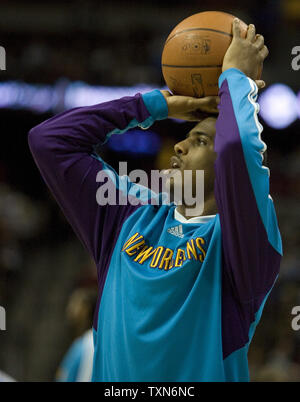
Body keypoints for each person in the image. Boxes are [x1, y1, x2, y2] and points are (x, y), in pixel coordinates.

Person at [28, 19, 282, 381]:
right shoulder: (129, 214)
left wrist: (235, 79)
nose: (178, 145)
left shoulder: (242, 244)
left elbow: (238, 150)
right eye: (185, 136)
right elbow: (50, 141)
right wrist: (153, 107)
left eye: (200, 141)